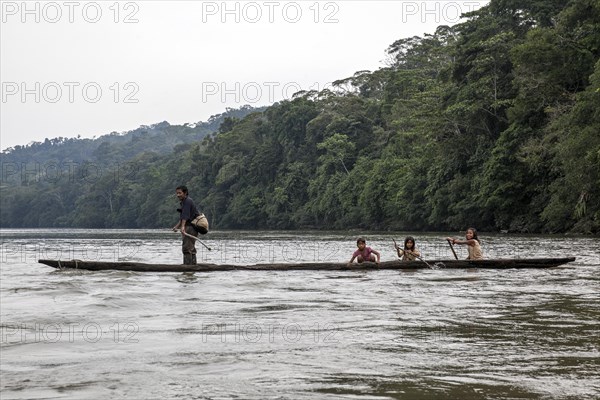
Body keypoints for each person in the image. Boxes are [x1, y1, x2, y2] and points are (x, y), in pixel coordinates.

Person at [172, 185, 200, 265]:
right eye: (177, 193)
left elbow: (185, 216)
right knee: (191, 248)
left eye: (180, 193)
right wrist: (177, 226)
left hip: (190, 228)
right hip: (190, 227)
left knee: (187, 248)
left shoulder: (187, 201)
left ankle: (188, 268)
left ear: (185, 193)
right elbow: (182, 217)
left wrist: (183, 227)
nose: (178, 195)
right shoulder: (184, 202)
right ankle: (193, 268)